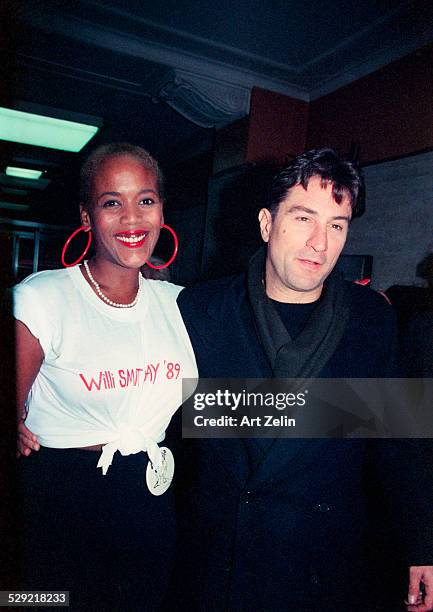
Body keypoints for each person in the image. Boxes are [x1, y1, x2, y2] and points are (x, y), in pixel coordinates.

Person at [175, 149, 433, 611]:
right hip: (223, 558)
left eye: (337, 224)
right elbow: (174, 421)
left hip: (324, 563)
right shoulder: (199, 309)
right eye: (302, 218)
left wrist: (421, 546)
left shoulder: (373, 318)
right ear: (266, 224)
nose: (320, 243)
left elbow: (400, 443)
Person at [13, 142, 197, 611]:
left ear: (161, 211)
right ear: (86, 216)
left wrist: (379, 413)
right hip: (60, 497)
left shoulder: (183, 305)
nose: (132, 218)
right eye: (112, 202)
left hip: (149, 498)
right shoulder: (42, 297)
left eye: (146, 200)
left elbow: (233, 399)